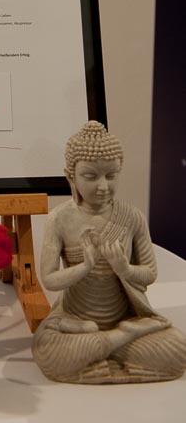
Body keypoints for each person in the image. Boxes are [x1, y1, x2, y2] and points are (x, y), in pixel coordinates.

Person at [32, 120, 186, 384]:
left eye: (111, 175)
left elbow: (149, 273)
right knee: (45, 348)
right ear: (71, 176)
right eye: (91, 177)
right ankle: (123, 338)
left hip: (124, 316)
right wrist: (84, 267)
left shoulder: (132, 217)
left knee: (178, 348)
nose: (103, 186)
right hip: (76, 322)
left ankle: (97, 355)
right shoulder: (59, 219)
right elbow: (49, 279)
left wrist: (124, 268)